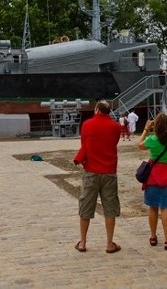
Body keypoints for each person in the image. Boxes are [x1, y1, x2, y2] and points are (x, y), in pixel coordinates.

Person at [73, 100, 122, 253]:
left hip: (91, 172)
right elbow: (112, 143)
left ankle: (82, 242)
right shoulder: (116, 127)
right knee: (110, 209)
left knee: (86, 207)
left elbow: (85, 145)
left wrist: (80, 158)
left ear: (96, 110)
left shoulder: (87, 125)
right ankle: (109, 243)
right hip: (109, 172)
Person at [137, 113, 167, 250]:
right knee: (165, 208)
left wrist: (146, 129)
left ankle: (153, 236)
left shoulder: (152, 139)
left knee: (153, 207)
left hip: (153, 177)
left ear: (155, 127)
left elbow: (139, 145)